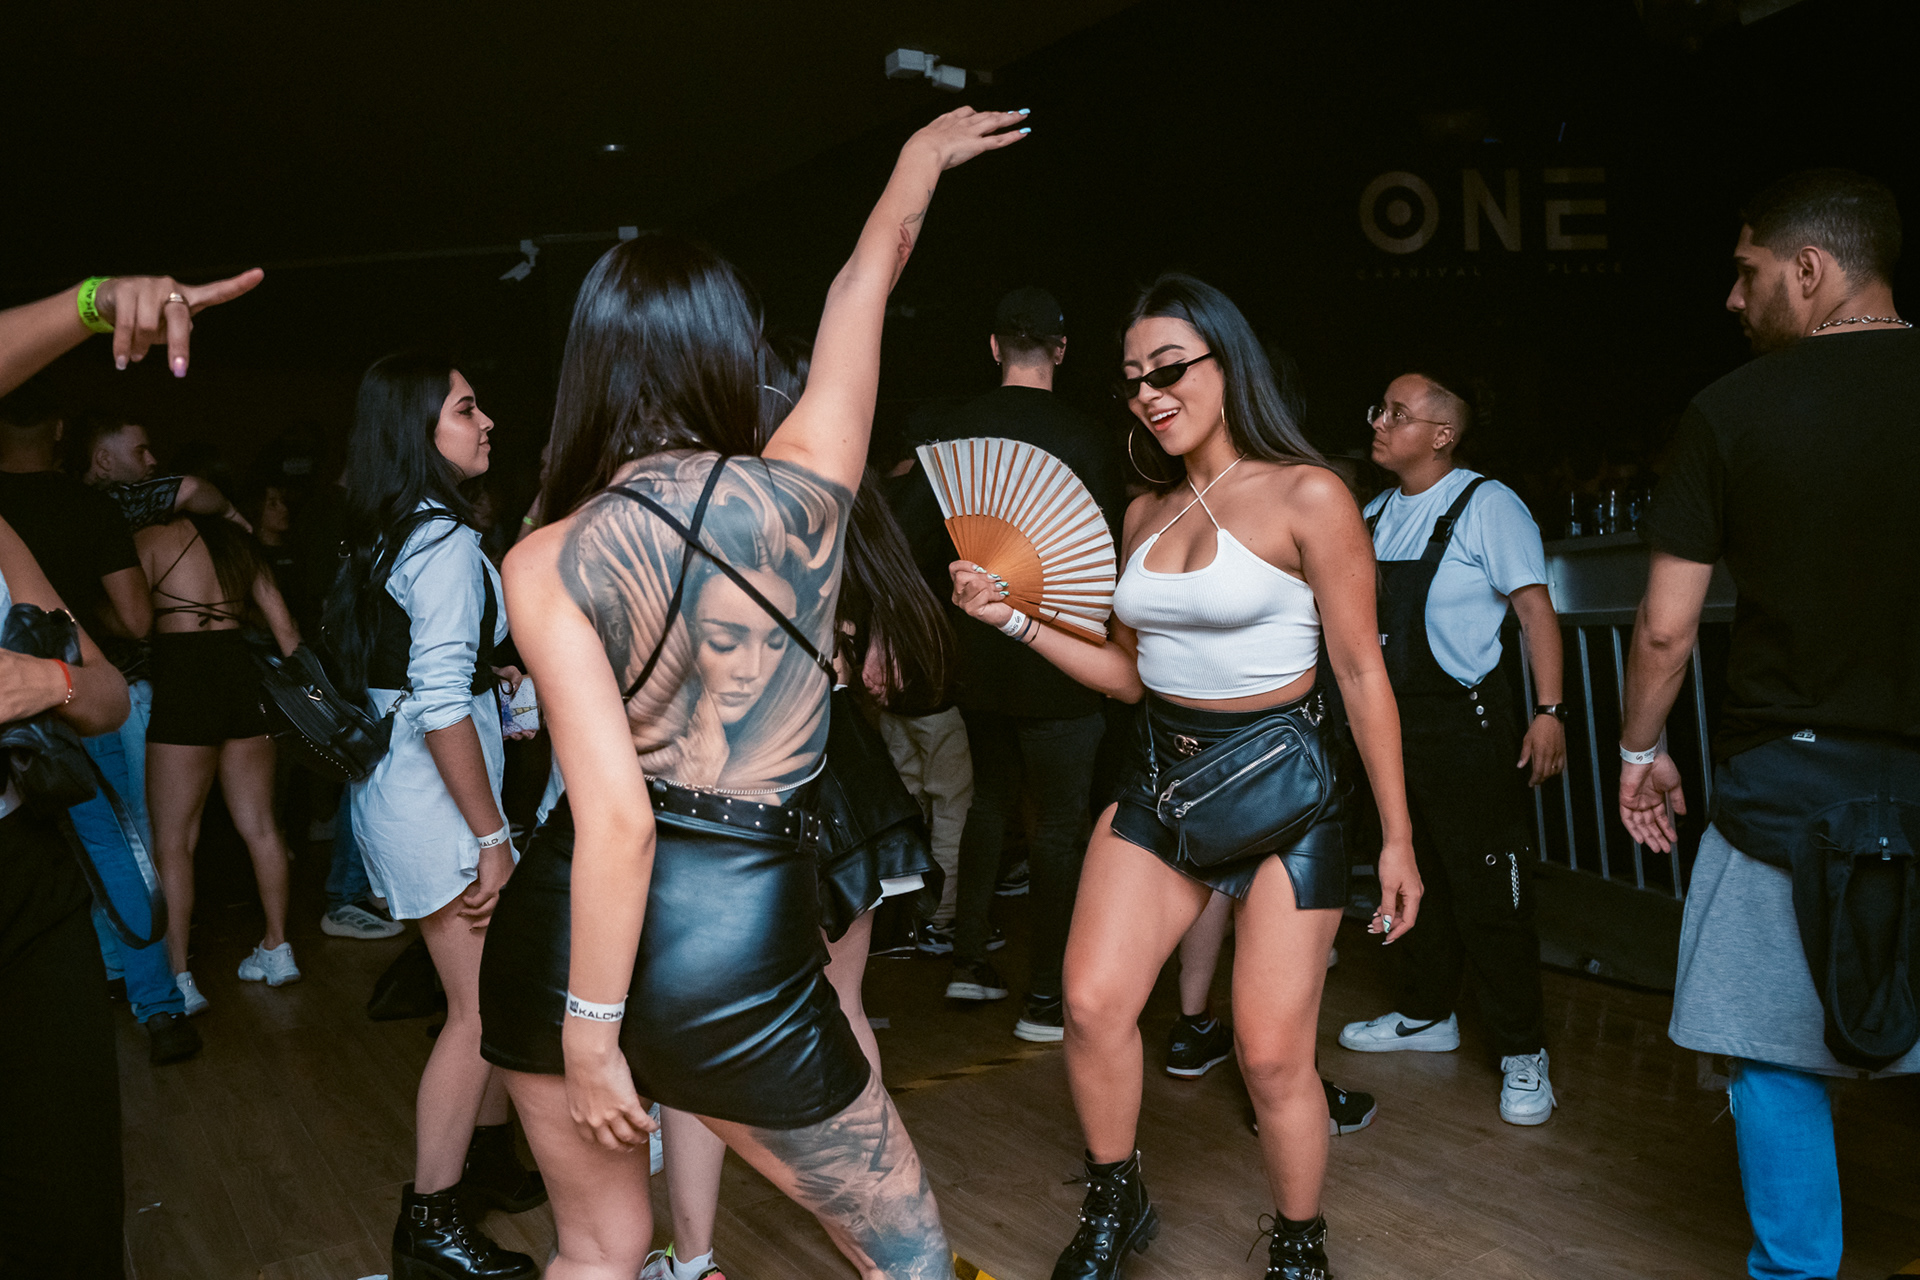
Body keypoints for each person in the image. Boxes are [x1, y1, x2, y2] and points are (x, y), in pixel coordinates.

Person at [478, 106, 1025, 1280]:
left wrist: (590, 1030)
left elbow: (610, 816)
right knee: (908, 1257)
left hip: (563, 934)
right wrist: (915, 166)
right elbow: (861, 288)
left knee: (598, 1250)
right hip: (730, 936)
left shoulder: (544, 556)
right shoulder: (807, 491)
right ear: (731, 351)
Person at [949, 272, 1420, 1279]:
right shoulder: (1143, 513)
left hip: (1289, 790)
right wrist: (1014, 620)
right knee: (1090, 1003)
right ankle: (1116, 1197)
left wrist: (1397, 837)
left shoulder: (1310, 494)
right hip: (1164, 776)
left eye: (1169, 369)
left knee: (1271, 1056)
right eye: (1133, 380)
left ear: (1226, 361)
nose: (1150, 394)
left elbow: (1360, 672)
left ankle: (1299, 1247)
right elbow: (1128, 675)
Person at [1618, 168, 1917, 1280]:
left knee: (1769, 1049)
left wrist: (1639, 752)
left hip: (1786, 792)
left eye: (1748, 274)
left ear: (1810, 268)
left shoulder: (1730, 411)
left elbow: (1665, 629)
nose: (1733, 300)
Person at [0, 264, 260, 1278]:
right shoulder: (93, 508)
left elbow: (103, 689)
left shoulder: (6, 528)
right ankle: (161, 998)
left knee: (69, 1199)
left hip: (25, 871)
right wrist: (91, 306)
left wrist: (45, 680)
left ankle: (156, 996)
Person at [641, 471, 954, 1280]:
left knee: (698, 1035)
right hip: (836, 770)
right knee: (839, 1008)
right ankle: (883, 1245)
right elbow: (896, 669)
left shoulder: (715, 510)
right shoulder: (835, 503)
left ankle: (693, 1261)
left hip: (740, 784)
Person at [323, 352, 544, 1280]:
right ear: (419, 430)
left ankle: (485, 1165)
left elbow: (415, 673)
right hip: (438, 808)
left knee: (485, 1000)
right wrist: (492, 838)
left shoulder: (391, 529)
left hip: (397, 794)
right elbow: (442, 703)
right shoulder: (443, 541)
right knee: (480, 1012)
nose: (485, 421)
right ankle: (431, 1225)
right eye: (465, 408)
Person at [1335, 368, 1567, 1127]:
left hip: (1467, 727)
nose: (1379, 422)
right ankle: (1427, 1014)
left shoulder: (1486, 504)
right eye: (1379, 408)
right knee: (1414, 877)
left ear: (1442, 435)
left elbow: (1535, 613)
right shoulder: (1372, 514)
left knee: (1492, 892)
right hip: (1390, 729)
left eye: (1397, 413)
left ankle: (1524, 1051)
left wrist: (1549, 712)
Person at [905, 285, 1126, 1038]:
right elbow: (1107, 556)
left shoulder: (953, 431)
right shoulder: (1089, 437)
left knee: (988, 804)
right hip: (1065, 659)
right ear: (1061, 350)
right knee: (1060, 826)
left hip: (979, 659)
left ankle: (968, 963)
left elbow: (915, 546)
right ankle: (1046, 999)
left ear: (994, 347)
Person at [0, 380, 201, 1063]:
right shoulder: (85, 506)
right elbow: (140, 618)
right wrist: (86, 626)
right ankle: (161, 1011)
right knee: (117, 847)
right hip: (72, 698)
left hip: (35, 708)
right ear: (59, 430)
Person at [138, 501, 303, 1011]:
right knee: (262, 827)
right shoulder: (239, 546)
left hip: (183, 678)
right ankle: (278, 948)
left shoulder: (150, 537)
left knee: (174, 840)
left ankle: (180, 978)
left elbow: (134, 620)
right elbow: (287, 633)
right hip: (239, 675)